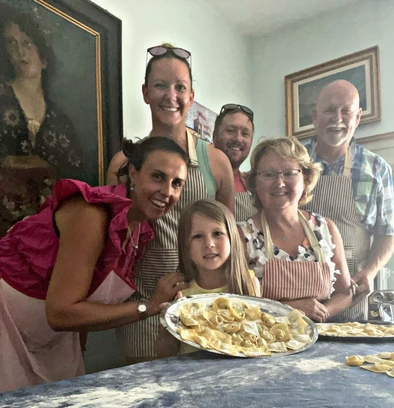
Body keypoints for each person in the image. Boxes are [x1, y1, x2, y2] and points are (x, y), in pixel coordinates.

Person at [0, 137, 190, 392]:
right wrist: (149, 306)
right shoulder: (92, 214)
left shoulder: (141, 230)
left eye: (176, 183)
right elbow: (60, 313)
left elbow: (84, 295)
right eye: (157, 177)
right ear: (133, 174)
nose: (167, 191)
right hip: (7, 326)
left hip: (52, 341)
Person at [106, 44, 235, 362]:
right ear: (145, 92)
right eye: (161, 85)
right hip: (143, 305)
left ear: (191, 97)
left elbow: (230, 239)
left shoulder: (216, 162)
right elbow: (112, 239)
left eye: (180, 87)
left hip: (205, 304)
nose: (171, 95)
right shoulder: (123, 163)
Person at [303, 79, 394, 321]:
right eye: (329, 110)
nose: (338, 118)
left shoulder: (377, 169)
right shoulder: (293, 162)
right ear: (315, 117)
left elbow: (387, 233)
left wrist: (370, 272)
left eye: (346, 111)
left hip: (354, 294)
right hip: (301, 295)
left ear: (357, 118)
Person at [238, 137, 352, 323]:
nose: (279, 182)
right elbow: (236, 303)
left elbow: (345, 292)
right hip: (264, 342)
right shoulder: (241, 235)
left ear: (305, 178)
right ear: (255, 183)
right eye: (268, 174)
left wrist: (322, 311)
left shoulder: (325, 228)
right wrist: (292, 309)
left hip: (321, 339)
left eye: (289, 173)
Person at [0, 7, 84, 236]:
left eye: (27, 43)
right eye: (11, 43)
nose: (19, 51)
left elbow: (75, 183)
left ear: (44, 57)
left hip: (47, 237)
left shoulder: (61, 120)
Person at [155, 199, 260, 357]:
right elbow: (164, 356)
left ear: (232, 238)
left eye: (217, 233)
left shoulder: (249, 283)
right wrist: (166, 329)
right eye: (197, 236)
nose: (209, 244)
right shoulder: (179, 290)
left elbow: (256, 344)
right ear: (185, 245)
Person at [213, 103, 257, 221]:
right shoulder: (199, 176)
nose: (238, 139)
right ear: (215, 136)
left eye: (245, 133)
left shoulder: (253, 186)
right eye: (230, 131)